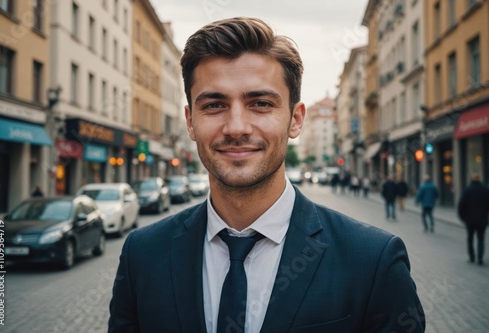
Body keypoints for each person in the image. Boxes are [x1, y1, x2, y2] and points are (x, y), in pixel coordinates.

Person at [108, 17, 425, 333]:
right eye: (214, 105)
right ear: (190, 122)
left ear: (296, 120)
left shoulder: (371, 260)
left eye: (260, 103)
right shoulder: (143, 254)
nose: (236, 127)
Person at [457, 173, 489, 265]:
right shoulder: (485, 190)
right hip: (482, 219)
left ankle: (471, 257)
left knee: (470, 238)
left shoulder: (467, 190)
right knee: (481, 239)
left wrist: (463, 217)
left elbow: (461, 205)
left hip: (469, 220)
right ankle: (480, 257)